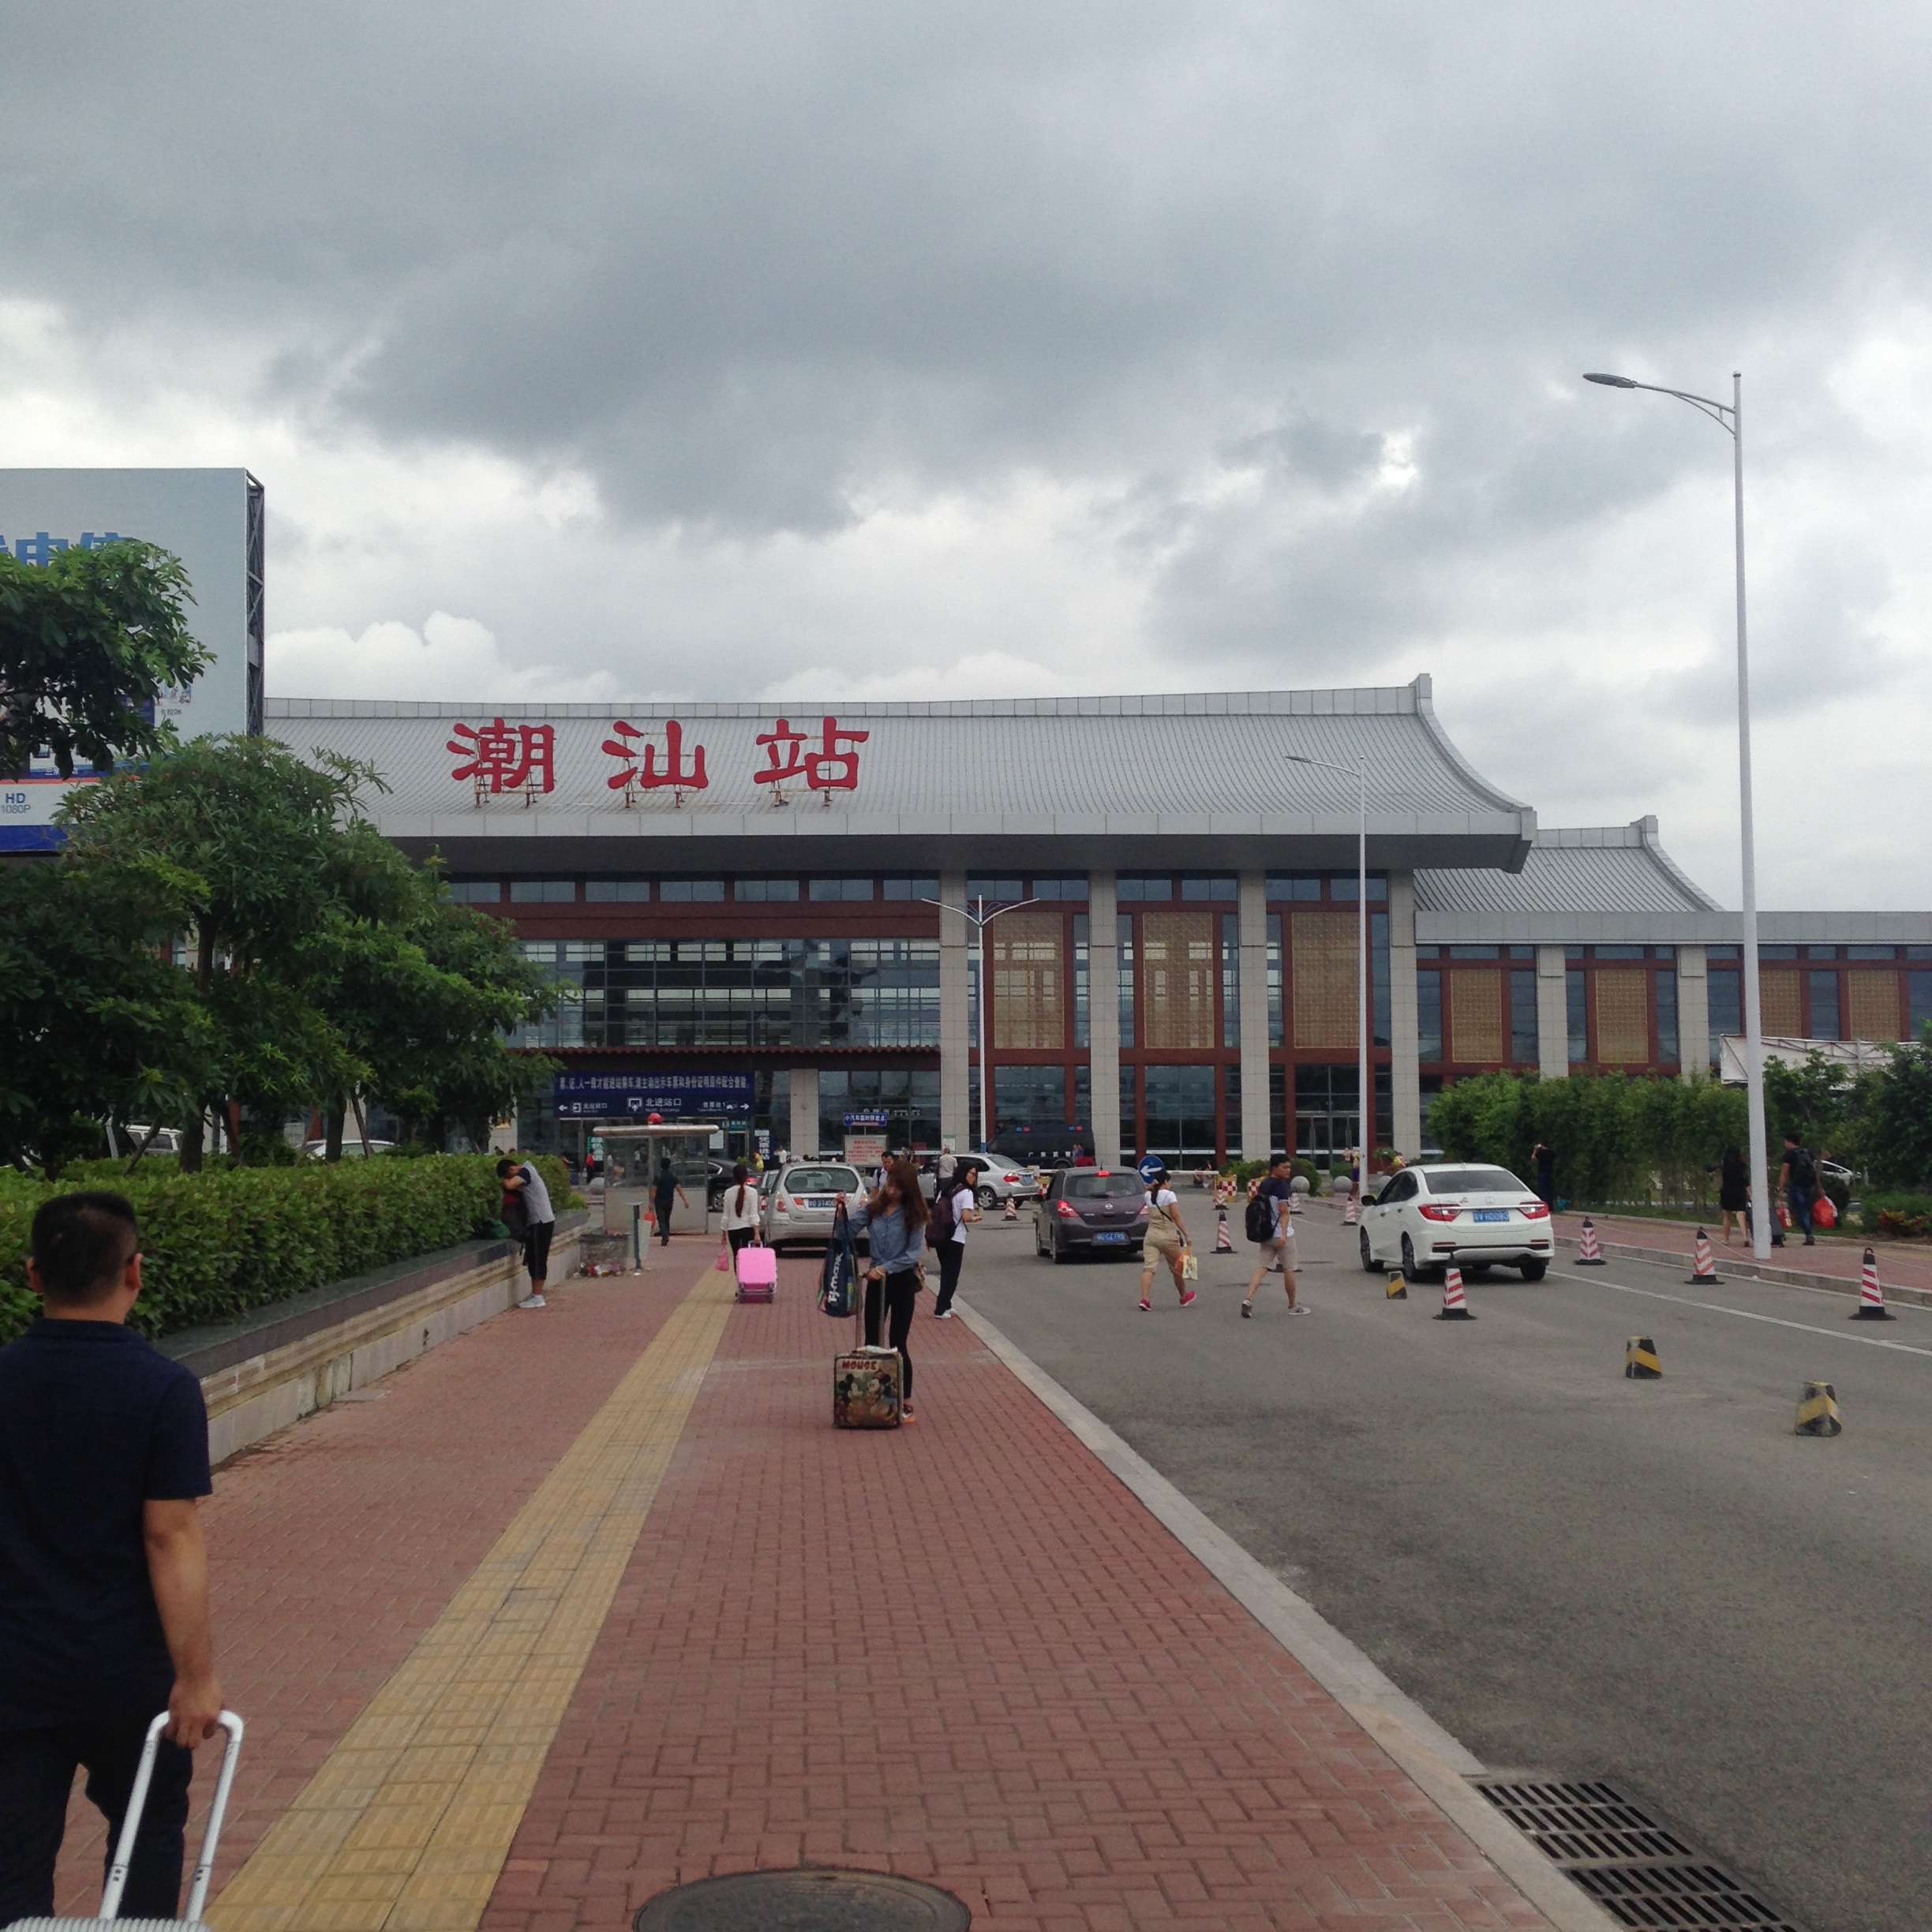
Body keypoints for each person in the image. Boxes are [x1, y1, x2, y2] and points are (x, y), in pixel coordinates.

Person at [0, 1193, 223, 1926]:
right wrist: (196, 1677)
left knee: (12, 1864)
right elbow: (170, 1538)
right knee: (147, 1838)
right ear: (135, 1271)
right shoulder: (162, 1388)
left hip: (13, 1670)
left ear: (34, 1276)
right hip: (128, 1674)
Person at [841, 1158, 929, 1421]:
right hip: (876, 1281)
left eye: (898, 1187)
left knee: (898, 1341)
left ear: (908, 1189)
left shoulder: (915, 1215)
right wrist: (840, 1212)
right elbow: (846, 1231)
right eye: (889, 1184)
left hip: (901, 1280)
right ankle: (874, 1396)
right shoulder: (874, 1209)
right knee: (872, 1340)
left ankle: (906, 1400)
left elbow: (912, 1254)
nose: (891, 1190)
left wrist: (885, 1268)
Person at [1243, 1151, 1305, 1317]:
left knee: (1262, 1266)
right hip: (1282, 1235)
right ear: (1275, 1168)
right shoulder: (1282, 1187)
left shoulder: (1265, 1184)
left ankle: (1248, 1299)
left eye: (1289, 1167)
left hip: (1266, 1233)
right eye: (1284, 1167)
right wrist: (1284, 1235)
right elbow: (1284, 1213)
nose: (1288, 1170)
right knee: (1290, 1269)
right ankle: (1292, 1305)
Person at [1137, 1163, 1197, 1312]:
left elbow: (1146, 1191)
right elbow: (1176, 1216)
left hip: (1151, 1236)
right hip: (1168, 1236)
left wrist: (1152, 1186)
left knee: (1149, 1268)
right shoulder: (1169, 1195)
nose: (1170, 1185)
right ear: (1165, 1181)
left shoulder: (1148, 1195)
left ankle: (1145, 1299)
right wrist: (1186, 1234)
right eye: (1169, 1181)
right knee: (1176, 1268)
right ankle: (1183, 1297)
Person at [498, 1155, 555, 1308]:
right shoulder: (528, 1171)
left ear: (512, 1169)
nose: (511, 1178)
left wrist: (503, 1182)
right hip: (541, 1222)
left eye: (509, 1175)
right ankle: (535, 1294)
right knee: (533, 1257)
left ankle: (537, 1297)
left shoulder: (526, 1171)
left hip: (540, 1222)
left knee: (537, 1258)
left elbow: (510, 1185)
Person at [933, 1161, 981, 1319]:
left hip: (941, 1237)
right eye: (972, 1174)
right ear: (964, 1173)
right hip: (956, 1238)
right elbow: (965, 1217)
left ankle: (947, 1305)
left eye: (975, 1175)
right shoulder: (966, 1193)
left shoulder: (946, 1189)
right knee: (951, 1276)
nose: (974, 1177)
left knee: (946, 1272)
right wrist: (975, 1218)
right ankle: (940, 1309)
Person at [1779, 1133, 1818, 1246]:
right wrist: (1819, 1187)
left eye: (1785, 1141)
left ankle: (1809, 1234)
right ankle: (1809, 1231)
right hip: (1810, 1185)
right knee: (1807, 1209)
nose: (1785, 1144)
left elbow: (1784, 1173)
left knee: (1801, 1210)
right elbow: (1814, 1171)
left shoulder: (1789, 1155)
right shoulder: (1808, 1153)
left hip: (1797, 1185)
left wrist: (1780, 1188)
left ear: (1790, 1142)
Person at [721, 1162, 761, 1257]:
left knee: (736, 1256)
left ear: (734, 1177)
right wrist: (757, 1233)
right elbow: (753, 1215)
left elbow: (726, 1216)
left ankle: (737, 1268)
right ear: (746, 1176)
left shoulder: (728, 1193)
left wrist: (724, 1233)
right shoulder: (753, 1192)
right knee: (746, 1257)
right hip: (748, 1229)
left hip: (732, 1230)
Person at [652, 1158, 688, 1246]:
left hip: (659, 1201)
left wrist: (651, 1202)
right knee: (667, 1218)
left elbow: (654, 1190)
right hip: (669, 1201)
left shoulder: (658, 1176)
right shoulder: (673, 1176)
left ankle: (665, 1236)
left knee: (661, 1219)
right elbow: (679, 1189)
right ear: (669, 1166)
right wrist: (685, 1200)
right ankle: (666, 1234)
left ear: (661, 1165)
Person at [1718, 1144, 1750, 1245]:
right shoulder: (1742, 1165)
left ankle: (1726, 1239)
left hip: (1727, 1191)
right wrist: (1750, 1192)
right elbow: (1745, 1180)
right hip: (1740, 1191)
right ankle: (1745, 1238)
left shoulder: (1725, 1165)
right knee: (1741, 1215)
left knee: (1727, 1216)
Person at [1532, 1141, 1556, 1210]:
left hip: (1542, 1173)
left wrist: (1535, 1150)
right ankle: (1550, 1207)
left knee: (1543, 1190)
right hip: (1550, 1173)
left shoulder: (1540, 1153)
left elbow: (1533, 1159)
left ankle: (1545, 1207)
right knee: (1549, 1190)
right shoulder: (1551, 1153)